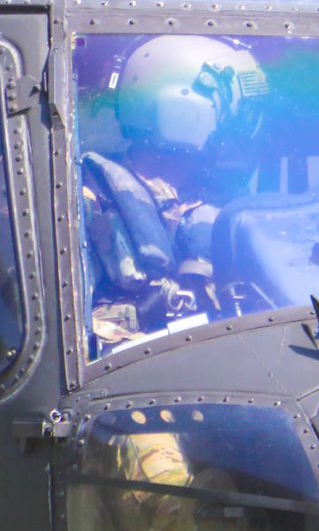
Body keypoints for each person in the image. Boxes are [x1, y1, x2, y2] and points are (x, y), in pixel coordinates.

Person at [82, 33, 268, 350]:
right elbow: (64, 329)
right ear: (184, 112)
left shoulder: (227, 205)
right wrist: (141, 315)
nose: (243, 130)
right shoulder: (89, 202)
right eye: (233, 115)